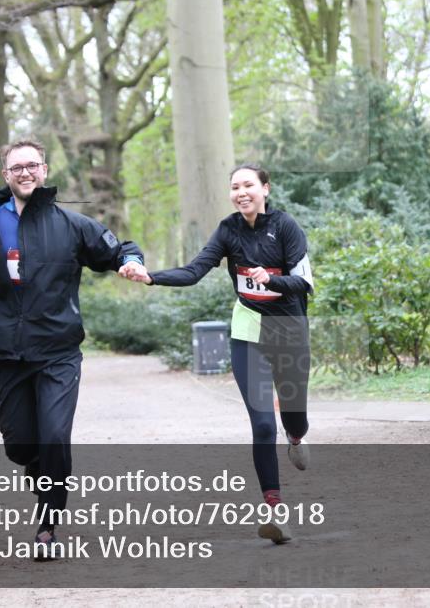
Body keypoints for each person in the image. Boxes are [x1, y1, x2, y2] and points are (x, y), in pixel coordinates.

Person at [0, 138, 147, 560]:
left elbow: (120, 248)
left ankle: (48, 525)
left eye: (32, 165)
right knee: (20, 445)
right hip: (4, 352)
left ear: (45, 170)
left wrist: (132, 262)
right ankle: (43, 472)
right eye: (17, 167)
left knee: (54, 437)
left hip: (57, 351)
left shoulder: (71, 225)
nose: (26, 172)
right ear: (5, 175)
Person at [128, 163, 313, 544]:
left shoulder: (286, 226)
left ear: (265, 189)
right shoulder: (228, 230)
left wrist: (271, 279)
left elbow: (303, 283)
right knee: (263, 425)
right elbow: (195, 271)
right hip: (248, 330)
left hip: (289, 331)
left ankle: (296, 437)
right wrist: (151, 277)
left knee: (294, 418)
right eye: (234, 187)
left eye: (248, 185)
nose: (241, 193)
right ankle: (275, 512)